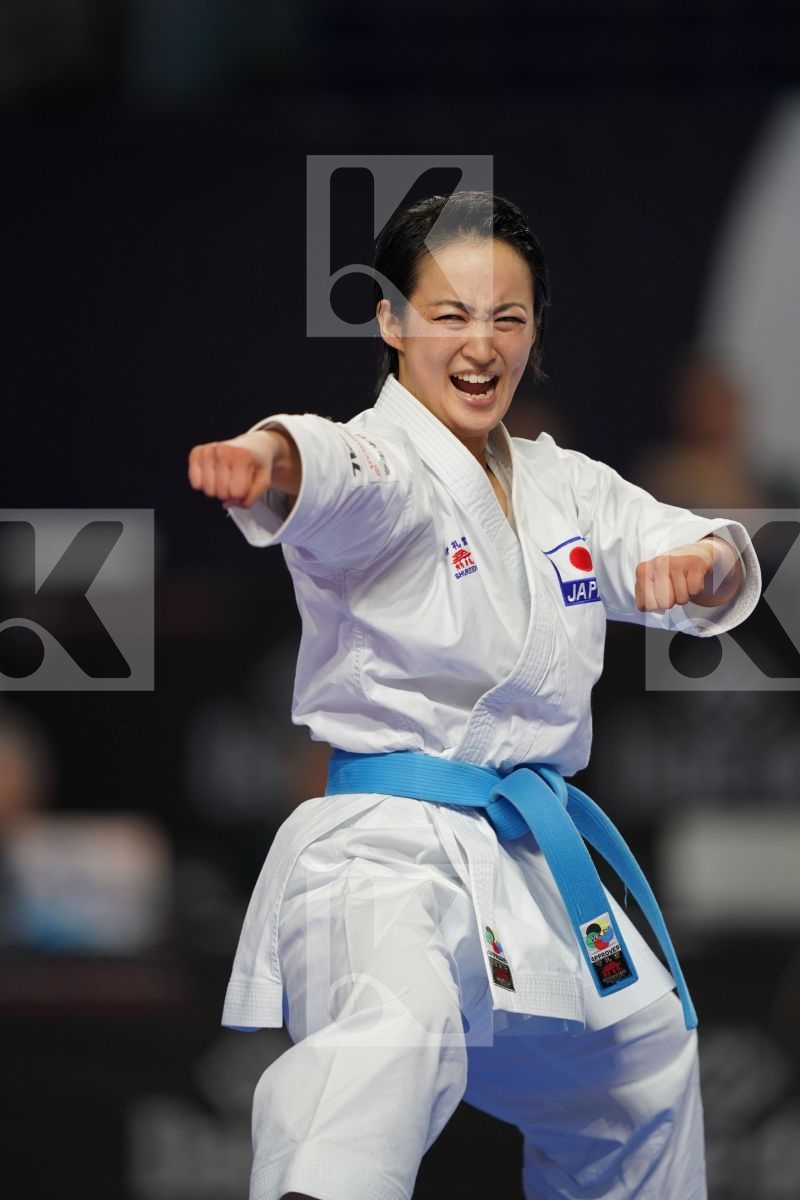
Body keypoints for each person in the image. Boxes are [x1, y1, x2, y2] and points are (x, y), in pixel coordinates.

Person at [187, 191, 761, 1200]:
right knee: (391, 1033)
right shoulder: (390, 463)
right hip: (387, 856)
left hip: (526, 860)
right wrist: (267, 464)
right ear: (391, 321)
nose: (480, 343)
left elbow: (684, 545)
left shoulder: (564, 485)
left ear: (534, 328)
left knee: (642, 1065)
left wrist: (703, 566)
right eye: (449, 315)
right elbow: (325, 465)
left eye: (507, 316)